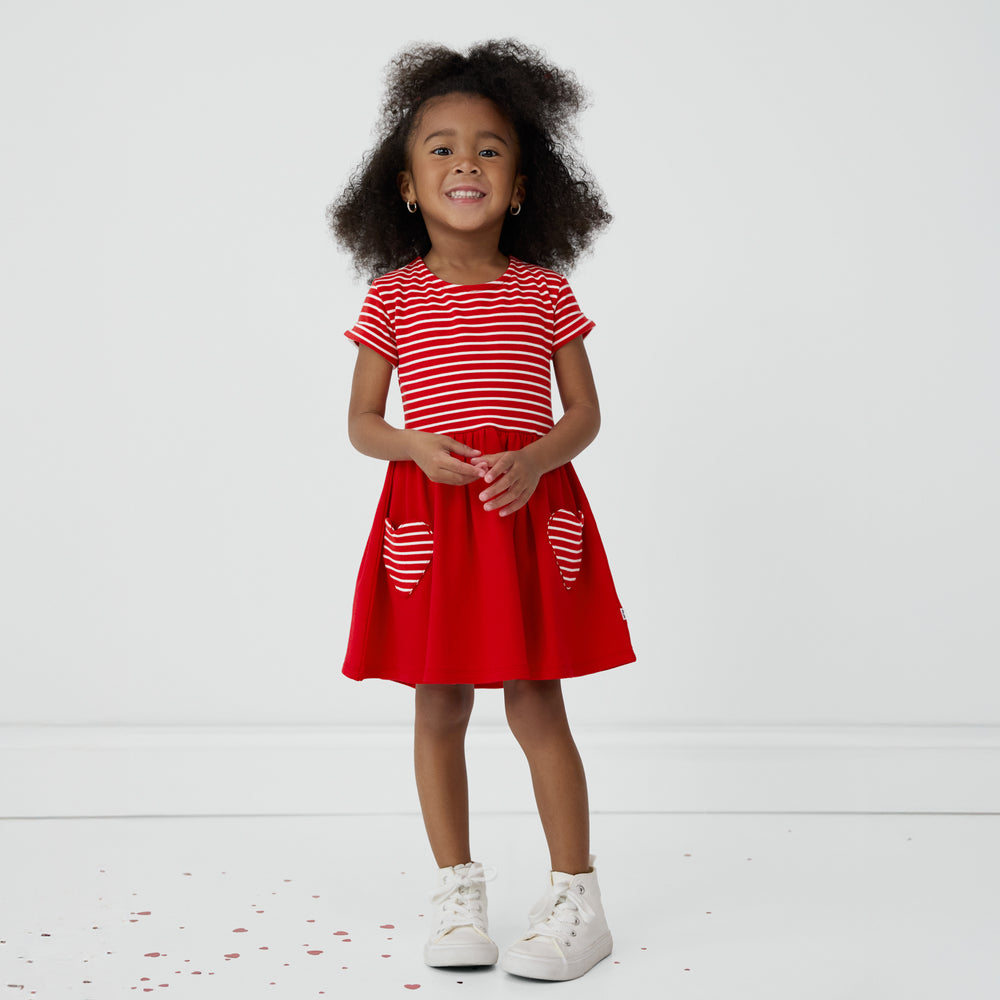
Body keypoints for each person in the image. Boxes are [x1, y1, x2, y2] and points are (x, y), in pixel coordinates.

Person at [327, 39, 636, 982]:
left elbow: (583, 412)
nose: (467, 162)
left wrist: (539, 457)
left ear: (525, 186)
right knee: (438, 702)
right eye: (442, 149)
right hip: (433, 516)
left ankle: (577, 896)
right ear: (408, 187)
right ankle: (458, 891)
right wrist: (417, 447)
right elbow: (361, 423)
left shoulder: (547, 293)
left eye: (491, 149)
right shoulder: (392, 297)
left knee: (537, 700)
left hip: (528, 514)